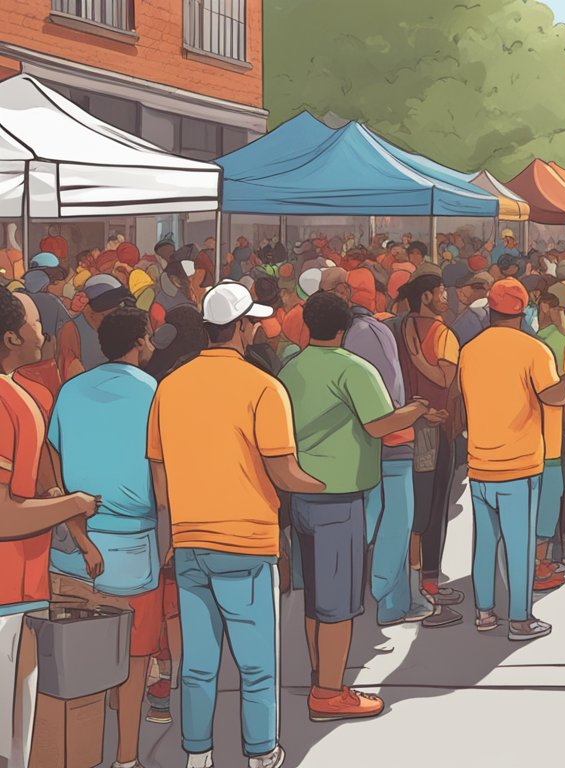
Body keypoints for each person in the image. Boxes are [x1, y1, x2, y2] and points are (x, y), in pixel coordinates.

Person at [148, 281, 325, 768]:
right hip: (246, 541)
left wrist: (178, 524)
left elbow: (159, 469)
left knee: (199, 664)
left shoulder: (170, 386)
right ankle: (260, 752)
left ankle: (197, 755)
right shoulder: (263, 387)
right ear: (243, 327)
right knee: (256, 663)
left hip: (190, 542)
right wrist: (325, 486)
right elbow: (284, 471)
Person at [280, 290, 436, 720]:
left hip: (301, 495)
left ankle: (319, 676)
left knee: (315, 596)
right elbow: (380, 423)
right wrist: (415, 411)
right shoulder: (354, 369)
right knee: (338, 603)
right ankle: (329, 692)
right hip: (340, 496)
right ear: (345, 328)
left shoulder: (290, 369)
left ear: (308, 326)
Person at [47, 307, 174, 768]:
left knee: (80, 659)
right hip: (134, 549)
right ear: (139, 341)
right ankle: (125, 758)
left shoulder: (70, 390)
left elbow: (55, 466)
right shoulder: (156, 394)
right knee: (135, 660)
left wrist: (77, 529)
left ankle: (79, 751)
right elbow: (162, 482)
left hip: (73, 549)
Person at [0, 288, 99, 768]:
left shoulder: (25, 396)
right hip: (8, 592)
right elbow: (4, 515)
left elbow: (33, 492)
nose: (46, 329)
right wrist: (73, 504)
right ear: (13, 336)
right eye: (38, 321)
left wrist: (60, 509)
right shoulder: (10, 403)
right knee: (10, 732)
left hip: (22, 588)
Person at [458, 277, 565, 640]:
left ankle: (484, 612)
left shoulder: (471, 350)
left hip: (480, 462)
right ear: (522, 310)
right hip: (520, 463)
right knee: (519, 544)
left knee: (484, 542)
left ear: (491, 310)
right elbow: (555, 397)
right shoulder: (534, 350)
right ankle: (520, 619)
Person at [332, 270, 443, 628]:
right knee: (396, 521)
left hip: (356, 444)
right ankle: (391, 602)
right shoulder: (377, 330)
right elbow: (390, 389)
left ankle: (373, 598)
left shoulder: (336, 334)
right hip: (393, 440)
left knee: (369, 521)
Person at [394, 273, 464, 607]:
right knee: (432, 506)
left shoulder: (397, 327)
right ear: (426, 297)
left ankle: (415, 578)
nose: (445, 299)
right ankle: (427, 580)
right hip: (433, 427)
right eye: (440, 293)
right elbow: (446, 378)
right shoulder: (442, 334)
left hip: (405, 423)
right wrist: (422, 360)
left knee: (414, 503)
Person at [56, 273, 133, 381]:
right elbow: (72, 378)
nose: (120, 310)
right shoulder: (71, 330)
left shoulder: (120, 326)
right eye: (116, 306)